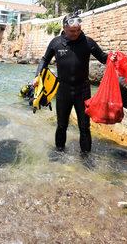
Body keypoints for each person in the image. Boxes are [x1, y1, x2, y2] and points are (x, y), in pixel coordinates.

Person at [34, 13, 108, 154]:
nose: (75, 33)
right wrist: (37, 76)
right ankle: (59, 153)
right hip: (63, 90)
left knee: (84, 126)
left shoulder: (88, 42)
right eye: (72, 31)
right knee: (61, 125)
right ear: (64, 28)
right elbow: (44, 60)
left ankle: (85, 158)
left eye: (78, 30)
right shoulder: (56, 43)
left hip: (83, 90)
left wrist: (114, 57)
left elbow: (103, 58)